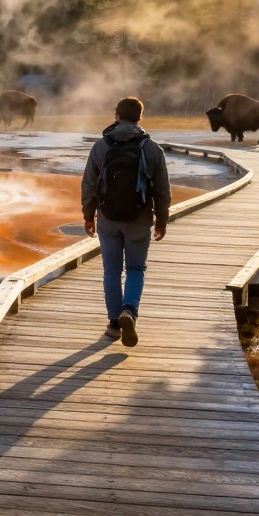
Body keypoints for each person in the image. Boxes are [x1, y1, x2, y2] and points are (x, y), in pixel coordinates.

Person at [81, 97, 171, 347]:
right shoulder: (151, 148)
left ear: (116, 116)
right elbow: (162, 190)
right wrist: (162, 219)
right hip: (140, 218)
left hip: (107, 218)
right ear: (140, 118)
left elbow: (89, 184)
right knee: (135, 268)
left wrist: (89, 215)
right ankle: (129, 311)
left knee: (111, 269)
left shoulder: (101, 146)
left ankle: (113, 324)